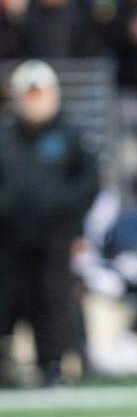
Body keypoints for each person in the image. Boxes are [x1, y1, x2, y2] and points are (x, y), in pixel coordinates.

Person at [0, 60, 99, 386]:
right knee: (10, 297)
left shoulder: (71, 135)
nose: (34, 100)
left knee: (52, 297)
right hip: (9, 234)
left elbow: (89, 181)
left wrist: (66, 211)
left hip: (55, 231)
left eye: (39, 93)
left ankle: (54, 363)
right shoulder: (7, 136)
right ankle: (6, 362)